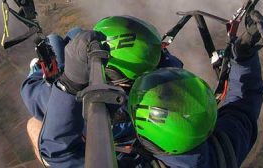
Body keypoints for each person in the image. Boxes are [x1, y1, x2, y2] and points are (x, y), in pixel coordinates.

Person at [21, 11, 263, 167]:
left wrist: (69, 84)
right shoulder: (222, 152)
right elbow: (244, 104)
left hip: (93, 126)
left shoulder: (226, 149)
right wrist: (244, 56)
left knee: (34, 125)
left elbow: (58, 153)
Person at [21, 16, 182, 165]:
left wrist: (69, 80)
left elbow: (34, 98)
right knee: (71, 35)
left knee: (33, 124)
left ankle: (48, 63)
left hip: (109, 138)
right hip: (132, 135)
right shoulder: (167, 80)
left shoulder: (114, 110)